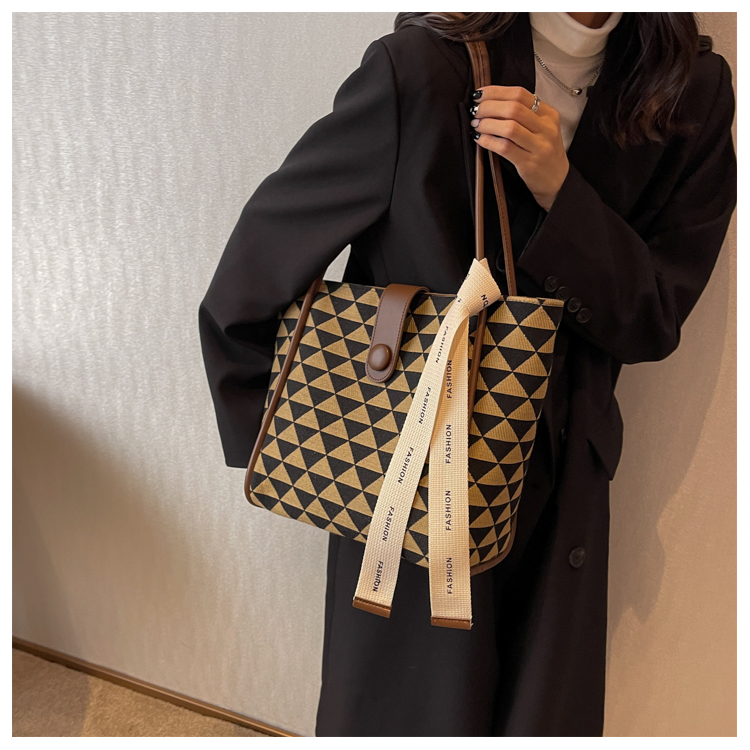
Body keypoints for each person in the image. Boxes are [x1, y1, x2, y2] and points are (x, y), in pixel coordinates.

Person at [198, 12, 736, 736]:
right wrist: (288, 445)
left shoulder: (689, 92)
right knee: (405, 718)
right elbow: (254, 274)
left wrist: (563, 194)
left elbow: (655, 319)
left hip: (561, 496)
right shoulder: (425, 70)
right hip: (412, 481)